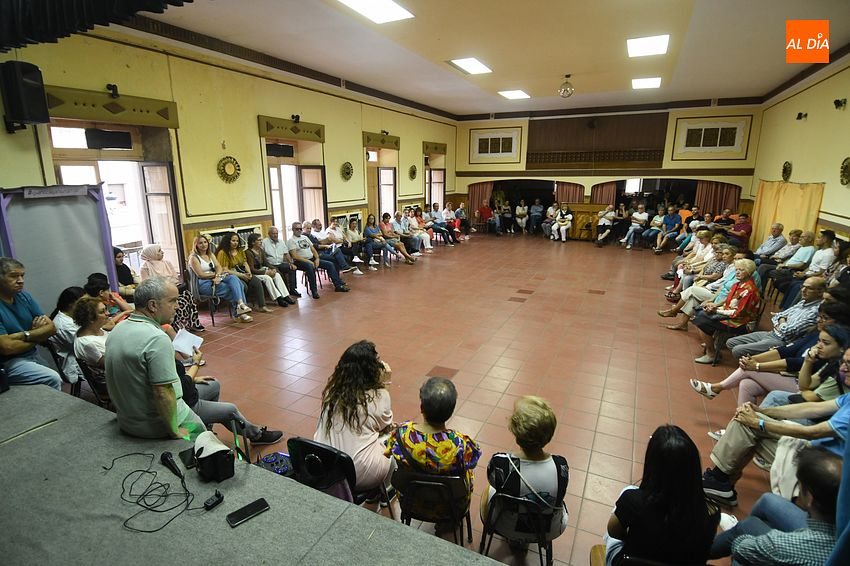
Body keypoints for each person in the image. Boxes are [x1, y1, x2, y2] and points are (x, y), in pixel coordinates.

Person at [701, 347, 850, 506]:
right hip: (816, 451)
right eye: (843, 362)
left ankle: (720, 480)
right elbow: (811, 408)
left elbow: (811, 432)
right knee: (748, 426)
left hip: (825, 467)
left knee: (749, 427)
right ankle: (721, 482)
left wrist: (759, 423)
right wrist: (761, 411)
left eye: (849, 364)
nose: (843, 368)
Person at [104, 277, 207, 440]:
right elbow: (163, 393)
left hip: (127, 420)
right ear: (153, 305)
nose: (178, 306)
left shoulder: (118, 329)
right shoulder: (156, 338)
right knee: (205, 439)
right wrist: (174, 431)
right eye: (172, 301)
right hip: (154, 425)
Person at [604, 425, 719, 566]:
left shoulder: (633, 500)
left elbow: (614, 532)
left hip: (630, 562)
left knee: (628, 490)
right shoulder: (711, 511)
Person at [710, 446, 840, 565]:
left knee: (742, 543)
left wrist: (762, 542)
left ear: (809, 498)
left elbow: (741, 549)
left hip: (767, 547)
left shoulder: (786, 546)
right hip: (833, 532)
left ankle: (700, 551)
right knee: (767, 501)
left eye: (799, 485)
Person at [481, 396, 569, 547]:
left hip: (505, 526)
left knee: (490, 489)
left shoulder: (501, 463)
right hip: (547, 530)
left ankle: (515, 539)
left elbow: (494, 483)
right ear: (549, 434)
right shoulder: (561, 466)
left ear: (516, 433)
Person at [690, 323, 850, 406]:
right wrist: (754, 360)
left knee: (748, 371)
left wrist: (756, 365)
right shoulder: (816, 338)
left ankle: (717, 388)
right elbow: (790, 351)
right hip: (796, 380)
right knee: (747, 384)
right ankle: (739, 424)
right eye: (820, 341)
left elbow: (803, 385)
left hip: (799, 387)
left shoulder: (838, 366)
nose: (819, 345)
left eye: (825, 343)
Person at [385, 377, 481, 508]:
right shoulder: (461, 443)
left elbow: (388, 452)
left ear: (421, 408)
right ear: (451, 411)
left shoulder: (401, 434)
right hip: (451, 506)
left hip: (412, 502)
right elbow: (473, 463)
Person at [314, 340, 396, 493]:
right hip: (360, 474)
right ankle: (385, 490)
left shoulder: (332, 392)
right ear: (371, 369)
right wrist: (385, 385)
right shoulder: (378, 396)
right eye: (378, 361)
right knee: (394, 437)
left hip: (326, 467)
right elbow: (386, 424)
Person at [179, 347, 282, 445]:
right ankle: (257, 435)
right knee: (230, 410)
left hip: (186, 394)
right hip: (183, 404)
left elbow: (177, 378)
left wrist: (194, 379)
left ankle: (206, 430)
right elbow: (183, 386)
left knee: (213, 384)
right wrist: (196, 363)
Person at [725, 276, 825, 358]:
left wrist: (781, 320)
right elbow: (778, 315)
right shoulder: (803, 302)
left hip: (781, 341)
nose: (803, 290)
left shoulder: (815, 311)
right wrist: (782, 320)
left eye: (809, 288)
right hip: (772, 333)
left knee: (737, 350)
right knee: (730, 342)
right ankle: (758, 358)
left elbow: (787, 330)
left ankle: (760, 362)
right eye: (803, 286)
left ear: (820, 292)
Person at [0, 258, 61, 390]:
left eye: (22, 275)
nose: (21, 280)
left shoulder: (24, 297)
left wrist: (24, 335)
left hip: (32, 354)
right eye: (14, 276)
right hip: (8, 363)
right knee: (52, 378)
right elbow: (7, 348)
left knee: (53, 381)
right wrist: (38, 336)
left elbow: (51, 328)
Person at [692, 259, 761, 364]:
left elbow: (737, 313)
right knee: (701, 314)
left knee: (701, 321)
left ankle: (711, 354)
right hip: (732, 315)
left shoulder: (749, 290)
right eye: (736, 269)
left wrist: (717, 310)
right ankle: (711, 345)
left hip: (742, 322)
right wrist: (714, 307)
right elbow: (728, 305)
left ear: (749, 272)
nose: (737, 272)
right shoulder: (737, 285)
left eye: (741, 270)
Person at [139, 244, 205, 332]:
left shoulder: (167, 263)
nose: (162, 252)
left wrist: (167, 284)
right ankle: (176, 327)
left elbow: (175, 278)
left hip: (172, 289)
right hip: (158, 294)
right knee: (174, 302)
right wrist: (165, 283)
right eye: (159, 251)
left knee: (187, 295)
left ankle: (193, 323)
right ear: (152, 253)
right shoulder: (145, 267)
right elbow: (147, 284)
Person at [188, 234, 253, 322]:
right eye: (200, 243)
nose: (203, 245)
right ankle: (240, 312)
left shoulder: (210, 254)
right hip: (203, 283)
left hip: (215, 278)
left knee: (233, 278)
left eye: (205, 242)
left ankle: (241, 305)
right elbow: (201, 275)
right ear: (196, 245)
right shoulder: (193, 258)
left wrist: (218, 276)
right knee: (233, 288)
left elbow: (219, 267)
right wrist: (215, 275)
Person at [287, 221, 349, 298]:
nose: (299, 230)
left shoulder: (305, 238)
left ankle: (338, 285)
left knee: (330, 264)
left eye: (300, 229)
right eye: (297, 229)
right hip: (300, 261)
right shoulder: (291, 240)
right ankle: (314, 291)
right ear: (293, 229)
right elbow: (295, 256)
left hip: (312, 259)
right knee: (310, 267)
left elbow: (313, 249)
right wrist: (309, 261)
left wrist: (317, 258)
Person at [216, 231, 271, 313]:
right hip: (231, 275)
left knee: (257, 282)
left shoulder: (240, 251)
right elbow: (225, 270)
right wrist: (241, 275)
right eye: (233, 241)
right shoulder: (222, 253)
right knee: (244, 286)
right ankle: (241, 306)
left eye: (237, 241)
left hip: (242, 271)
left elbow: (245, 263)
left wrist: (249, 272)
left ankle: (262, 306)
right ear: (228, 241)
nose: (235, 243)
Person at [72, 296, 111, 396]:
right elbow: (110, 364)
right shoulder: (87, 344)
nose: (107, 313)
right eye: (102, 312)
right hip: (111, 382)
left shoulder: (94, 330)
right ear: (90, 318)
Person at [48, 286, 85, 385]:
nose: (86, 305)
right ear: (71, 304)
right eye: (83, 302)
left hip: (83, 357)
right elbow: (84, 346)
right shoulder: (64, 325)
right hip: (78, 365)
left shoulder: (73, 316)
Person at [245, 233, 292, 307]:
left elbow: (266, 263)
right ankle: (278, 298)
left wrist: (273, 269)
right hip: (255, 273)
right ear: (253, 242)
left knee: (277, 275)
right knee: (267, 278)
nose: (261, 242)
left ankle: (285, 296)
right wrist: (265, 272)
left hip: (263, 270)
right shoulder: (248, 252)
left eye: (261, 240)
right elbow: (252, 269)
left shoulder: (260, 250)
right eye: (259, 240)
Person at [261, 226, 300, 298]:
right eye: (273, 234)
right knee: (279, 273)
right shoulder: (264, 242)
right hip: (270, 265)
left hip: (280, 263)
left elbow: (286, 254)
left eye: (276, 233)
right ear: (269, 234)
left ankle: (292, 289)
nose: (275, 235)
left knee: (292, 268)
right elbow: (262, 256)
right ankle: (283, 294)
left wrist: (291, 263)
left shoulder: (281, 242)